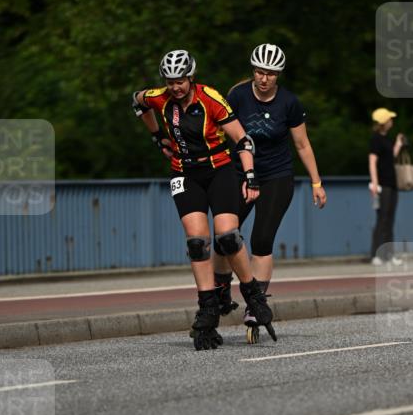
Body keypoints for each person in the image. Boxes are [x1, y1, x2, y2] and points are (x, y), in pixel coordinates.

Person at [132, 49, 276, 350]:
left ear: (191, 77)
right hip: (184, 173)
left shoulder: (209, 98)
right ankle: (208, 309)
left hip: (219, 170)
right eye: (170, 81)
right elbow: (137, 100)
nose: (175, 86)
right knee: (197, 242)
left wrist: (250, 176)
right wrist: (157, 135)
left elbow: (244, 139)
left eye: (181, 80)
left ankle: (253, 294)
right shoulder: (160, 97)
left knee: (227, 237)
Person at [212, 42, 326, 343]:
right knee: (225, 236)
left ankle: (255, 303)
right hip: (238, 173)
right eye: (259, 72)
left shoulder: (289, 103)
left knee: (262, 239)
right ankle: (220, 288)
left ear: (279, 75)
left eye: (270, 74)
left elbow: (302, 144)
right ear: (253, 72)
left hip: (277, 176)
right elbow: (222, 132)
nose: (264, 79)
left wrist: (316, 182)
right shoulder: (237, 95)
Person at [368, 107, 405, 266]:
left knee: (390, 220)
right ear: (383, 122)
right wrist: (375, 183)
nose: (392, 121)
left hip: (392, 184)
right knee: (382, 220)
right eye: (389, 119)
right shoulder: (375, 139)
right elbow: (372, 161)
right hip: (382, 185)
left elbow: (391, 158)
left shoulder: (387, 139)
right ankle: (376, 255)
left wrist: (397, 144)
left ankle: (389, 255)